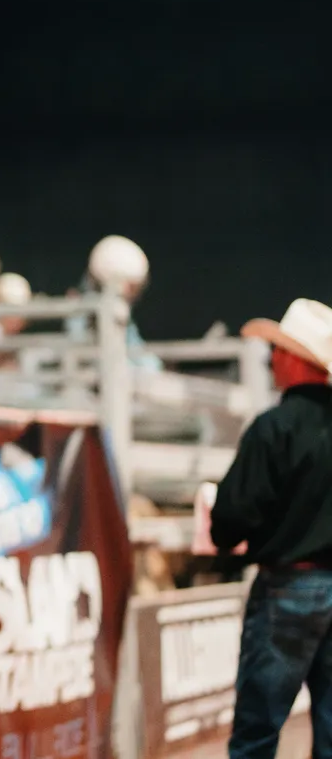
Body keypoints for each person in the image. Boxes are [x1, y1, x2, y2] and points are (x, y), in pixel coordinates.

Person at [210, 297, 332, 759]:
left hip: (289, 587)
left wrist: (223, 535)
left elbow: (234, 513)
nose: (271, 359)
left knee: (257, 730)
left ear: (292, 358)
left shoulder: (274, 429)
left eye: (276, 351)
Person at [65, 235, 163, 372]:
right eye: (132, 286)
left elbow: (140, 354)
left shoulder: (118, 311)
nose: (135, 293)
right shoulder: (86, 310)